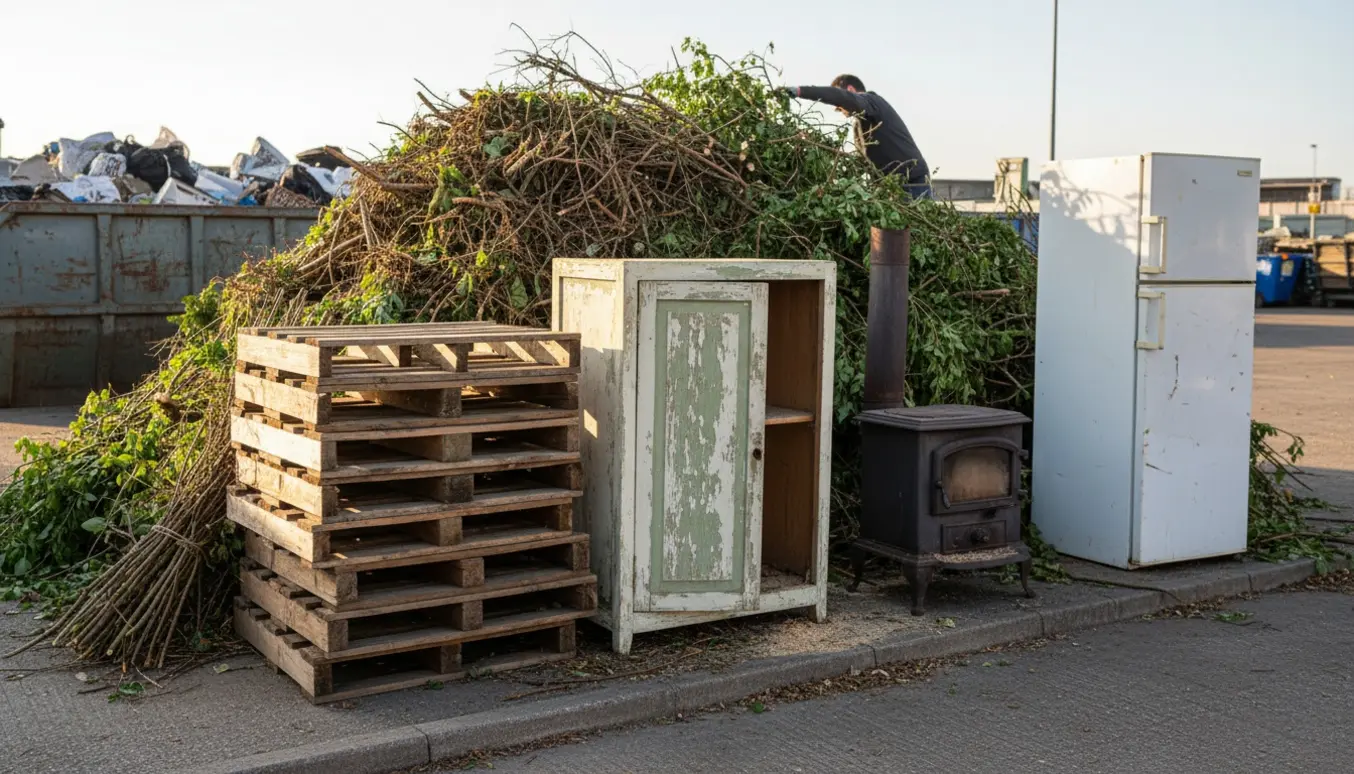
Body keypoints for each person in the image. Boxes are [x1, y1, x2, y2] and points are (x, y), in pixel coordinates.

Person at [782, 75, 932, 199]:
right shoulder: (860, 124)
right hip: (889, 187)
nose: (841, 111)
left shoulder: (871, 101)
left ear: (851, 90)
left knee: (908, 233)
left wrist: (800, 91)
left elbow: (843, 97)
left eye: (839, 107)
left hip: (911, 183)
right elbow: (864, 161)